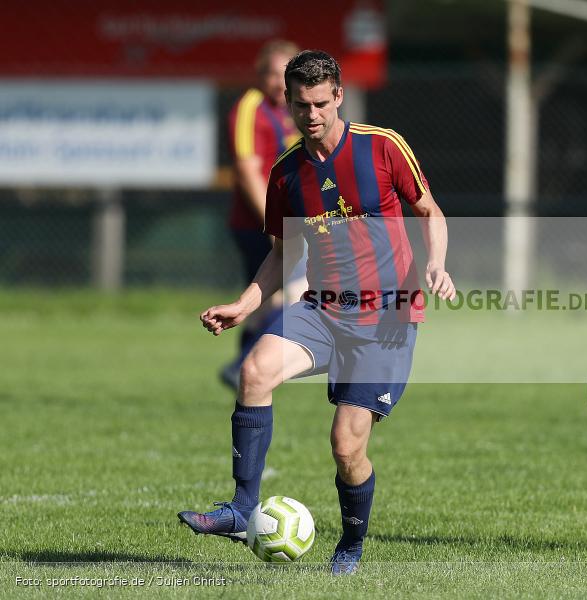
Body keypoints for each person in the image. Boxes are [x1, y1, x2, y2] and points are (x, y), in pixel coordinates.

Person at [178, 50, 456, 575]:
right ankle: (242, 509)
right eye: (302, 105)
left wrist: (437, 263)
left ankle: (350, 544)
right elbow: (282, 256)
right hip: (322, 310)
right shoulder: (286, 175)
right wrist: (244, 303)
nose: (313, 115)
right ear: (287, 102)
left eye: (322, 103)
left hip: (386, 320)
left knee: (346, 447)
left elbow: (429, 211)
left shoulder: (383, 147)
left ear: (339, 97)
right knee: (255, 372)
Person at [220, 39, 306, 389]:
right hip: (257, 224)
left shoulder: (285, 111)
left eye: (286, 75)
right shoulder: (250, 107)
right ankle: (243, 366)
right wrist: (272, 223)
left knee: (262, 302)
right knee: (297, 292)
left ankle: (246, 371)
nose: (278, 82)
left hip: (282, 223)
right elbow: (247, 170)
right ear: (260, 75)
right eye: (272, 74)